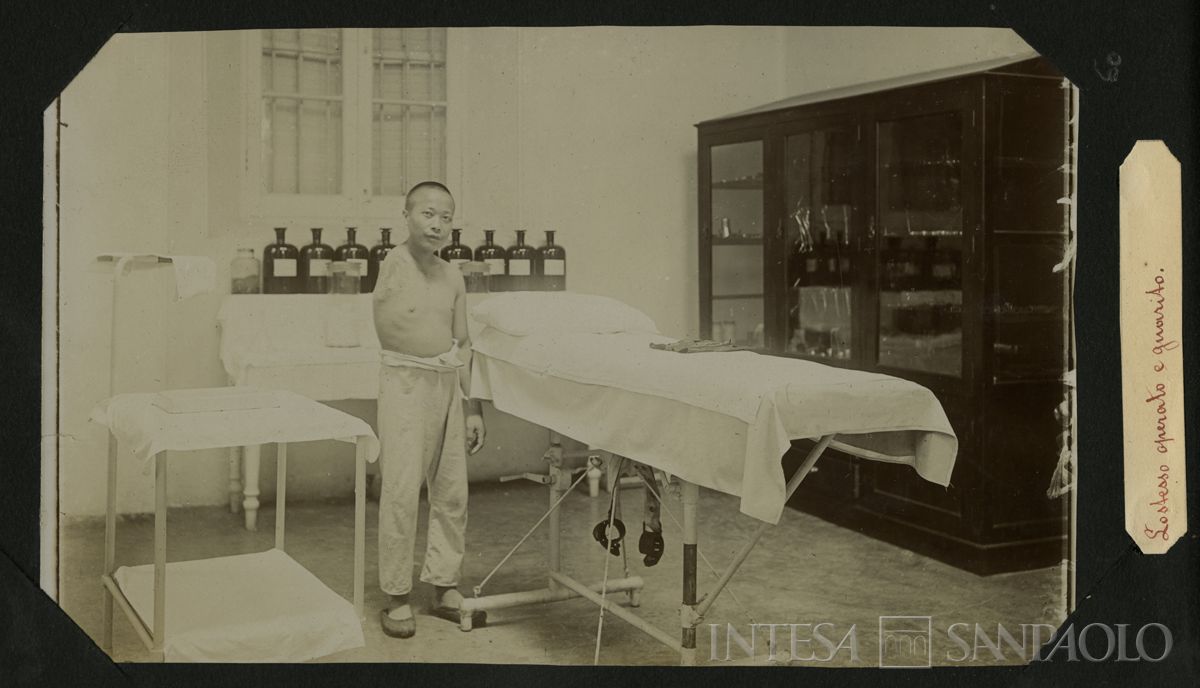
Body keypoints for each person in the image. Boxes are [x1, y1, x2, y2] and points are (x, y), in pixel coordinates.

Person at [372, 181, 487, 638]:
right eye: (428, 214)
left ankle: (443, 584)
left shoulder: (453, 275)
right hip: (405, 382)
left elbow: (463, 343)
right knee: (402, 489)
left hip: (447, 383)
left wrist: (473, 406)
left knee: (452, 490)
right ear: (406, 215)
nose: (437, 224)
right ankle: (397, 595)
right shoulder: (394, 264)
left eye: (446, 217)